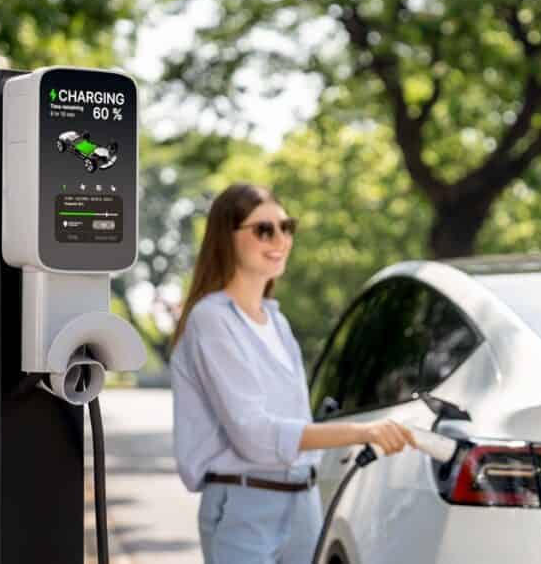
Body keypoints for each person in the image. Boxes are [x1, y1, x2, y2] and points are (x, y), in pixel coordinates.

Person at [170, 183, 416, 564]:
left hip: (303, 502)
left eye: (287, 227)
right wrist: (361, 431)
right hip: (245, 504)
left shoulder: (277, 322)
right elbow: (253, 435)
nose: (281, 239)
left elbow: (294, 421)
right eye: (264, 229)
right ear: (227, 237)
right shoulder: (212, 319)